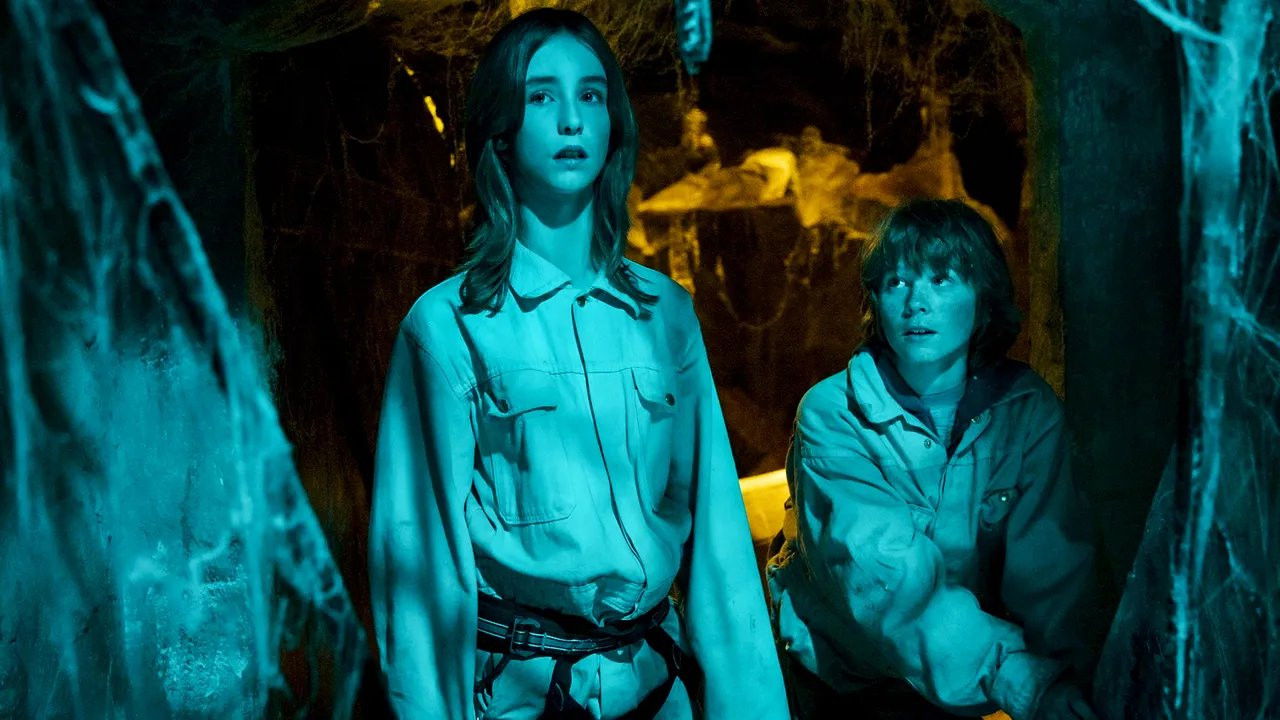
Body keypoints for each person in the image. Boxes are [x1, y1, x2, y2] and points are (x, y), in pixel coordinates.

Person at [368, 9, 787, 720]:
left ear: (613, 123)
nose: (571, 119)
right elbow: (419, 571)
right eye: (542, 96)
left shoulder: (665, 314)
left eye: (591, 95)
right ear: (502, 128)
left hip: (657, 689)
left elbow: (719, 548)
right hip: (525, 697)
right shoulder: (448, 327)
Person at [766, 199, 1102, 720]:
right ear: (874, 300)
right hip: (848, 679)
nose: (915, 303)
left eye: (942, 279)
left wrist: (1066, 686)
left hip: (962, 670)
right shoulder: (834, 412)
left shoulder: (1023, 409)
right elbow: (882, 575)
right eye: (897, 282)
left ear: (983, 298)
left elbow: (1052, 567)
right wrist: (1018, 680)